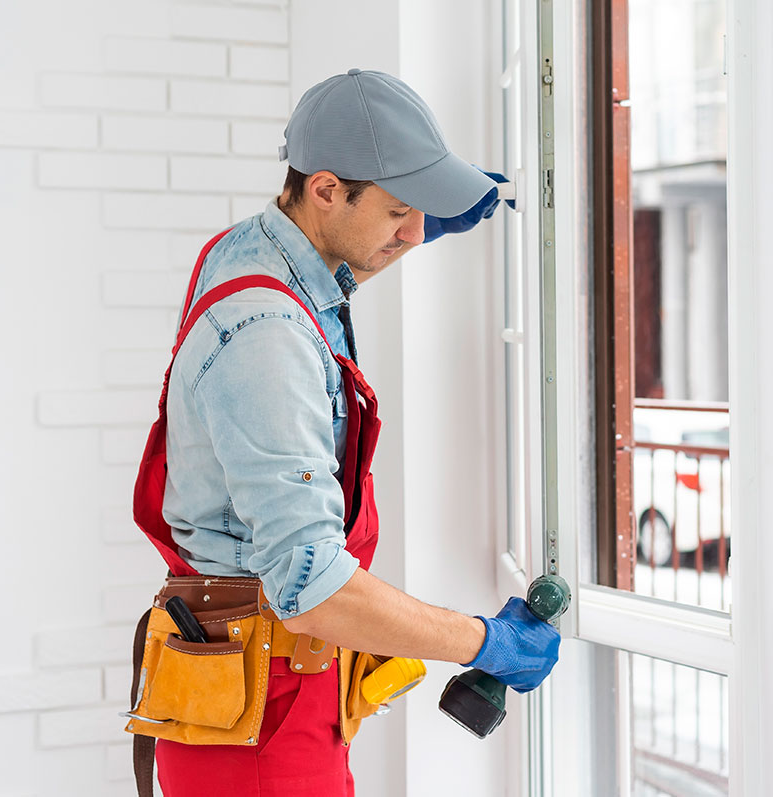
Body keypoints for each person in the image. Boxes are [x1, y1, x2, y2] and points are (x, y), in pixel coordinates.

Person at [123, 69, 560, 797]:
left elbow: (312, 287)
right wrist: (486, 640)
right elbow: (312, 587)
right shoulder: (267, 334)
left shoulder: (249, 251)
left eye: (421, 211)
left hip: (260, 696)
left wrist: (408, 224)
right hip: (260, 730)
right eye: (398, 210)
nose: (415, 229)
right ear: (325, 189)